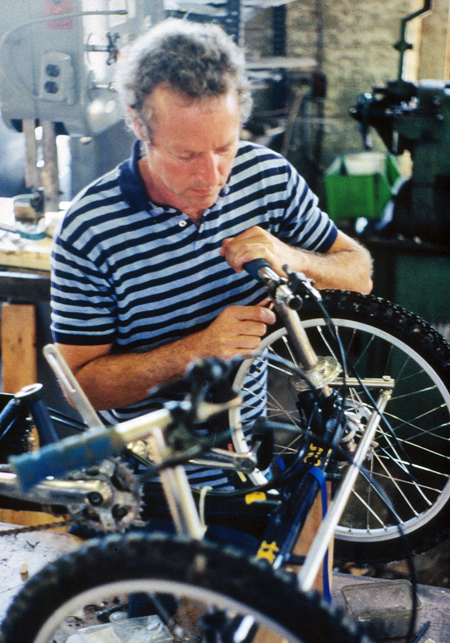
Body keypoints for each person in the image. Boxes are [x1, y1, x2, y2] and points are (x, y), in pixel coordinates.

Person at [51, 18, 372, 480]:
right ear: (140, 129)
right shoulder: (89, 228)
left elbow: (359, 274)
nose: (212, 174)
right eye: (186, 156)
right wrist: (196, 350)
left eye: (225, 146)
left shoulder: (266, 176)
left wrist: (291, 256)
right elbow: (80, 387)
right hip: (148, 475)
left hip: (250, 451)